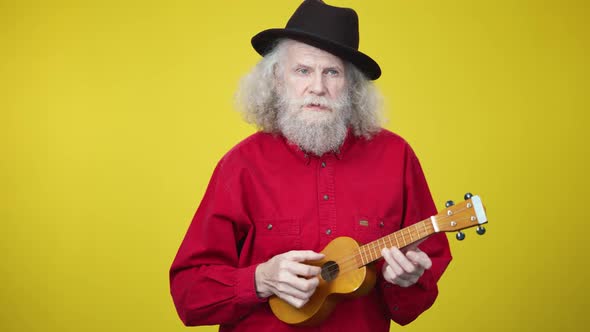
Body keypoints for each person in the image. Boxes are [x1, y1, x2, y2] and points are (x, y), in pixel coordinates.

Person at [169, 1, 452, 331]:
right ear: (277, 79)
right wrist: (260, 279)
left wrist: (406, 281)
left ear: (352, 87)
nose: (317, 87)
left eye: (332, 72)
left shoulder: (397, 157)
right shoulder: (241, 165)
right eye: (303, 70)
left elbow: (414, 301)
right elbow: (188, 295)